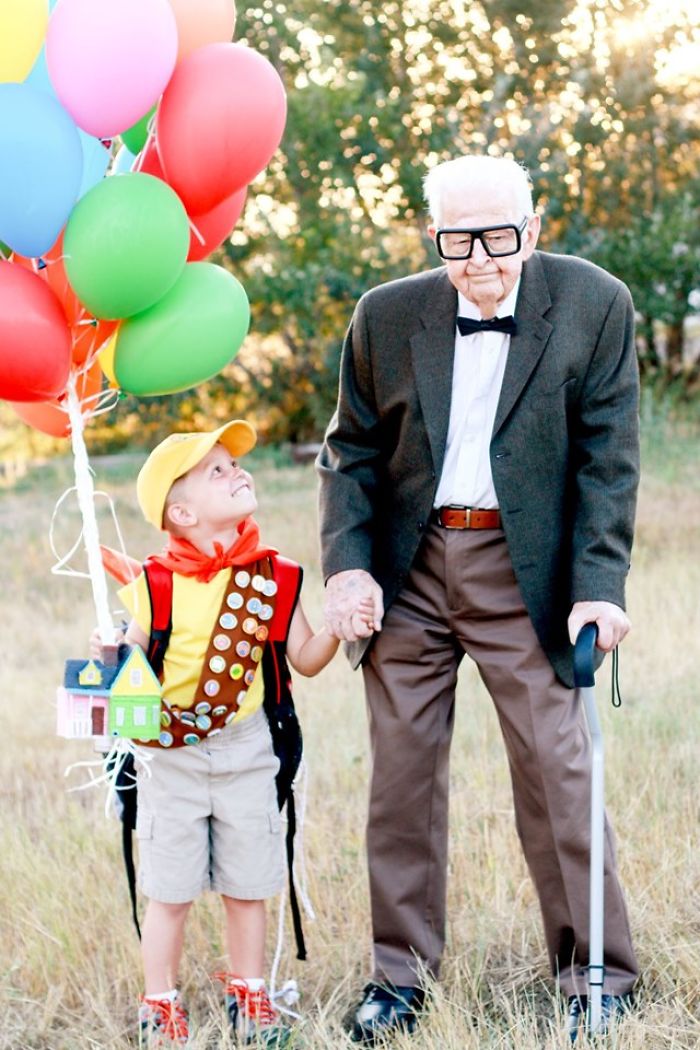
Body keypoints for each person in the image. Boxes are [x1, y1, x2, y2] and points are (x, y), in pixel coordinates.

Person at [317, 154, 640, 1044]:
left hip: (523, 567)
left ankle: (597, 977)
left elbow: (608, 463)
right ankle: (400, 980)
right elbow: (348, 452)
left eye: (499, 237)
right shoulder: (384, 315)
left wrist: (598, 589)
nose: (481, 259)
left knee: (559, 769)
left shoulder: (594, 302)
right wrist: (348, 566)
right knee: (401, 780)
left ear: (532, 231)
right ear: (435, 237)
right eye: (459, 240)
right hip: (410, 567)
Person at [92, 420, 346, 1049]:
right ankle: (161, 1006)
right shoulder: (153, 583)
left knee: (249, 887)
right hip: (168, 759)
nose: (237, 472)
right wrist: (108, 652)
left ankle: (250, 998)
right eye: (217, 470)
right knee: (169, 892)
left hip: (247, 753)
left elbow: (307, 659)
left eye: (235, 464)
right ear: (180, 512)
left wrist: (341, 627)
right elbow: (129, 661)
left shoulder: (275, 577)